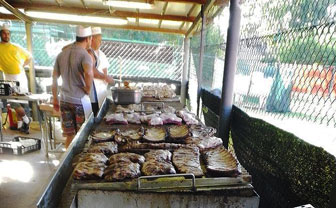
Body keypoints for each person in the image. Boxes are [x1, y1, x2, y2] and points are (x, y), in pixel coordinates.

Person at [52, 26, 93, 148]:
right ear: (88, 39)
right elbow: (89, 73)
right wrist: (88, 88)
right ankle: (79, 163)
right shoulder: (85, 55)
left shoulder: (61, 55)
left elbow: (54, 78)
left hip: (64, 100)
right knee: (82, 135)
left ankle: (67, 161)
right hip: (79, 101)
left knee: (70, 135)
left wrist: (55, 98)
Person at [0, 23, 32, 134]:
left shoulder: (16, 47)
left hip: (20, 77)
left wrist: (22, 66)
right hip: (8, 77)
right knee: (13, 103)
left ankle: (24, 123)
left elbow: (29, 57)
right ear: (1, 34)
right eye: (4, 33)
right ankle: (23, 123)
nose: (6, 35)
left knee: (21, 103)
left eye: (8, 33)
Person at [87, 27, 114, 116]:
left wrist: (106, 78)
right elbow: (91, 71)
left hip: (101, 92)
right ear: (92, 39)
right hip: (91, 93)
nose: (100, 42)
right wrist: (105, 77)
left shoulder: (101, 54)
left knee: (100, 115)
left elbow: (105, 70)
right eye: (99, 40)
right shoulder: (87, 53)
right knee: (92, 116)